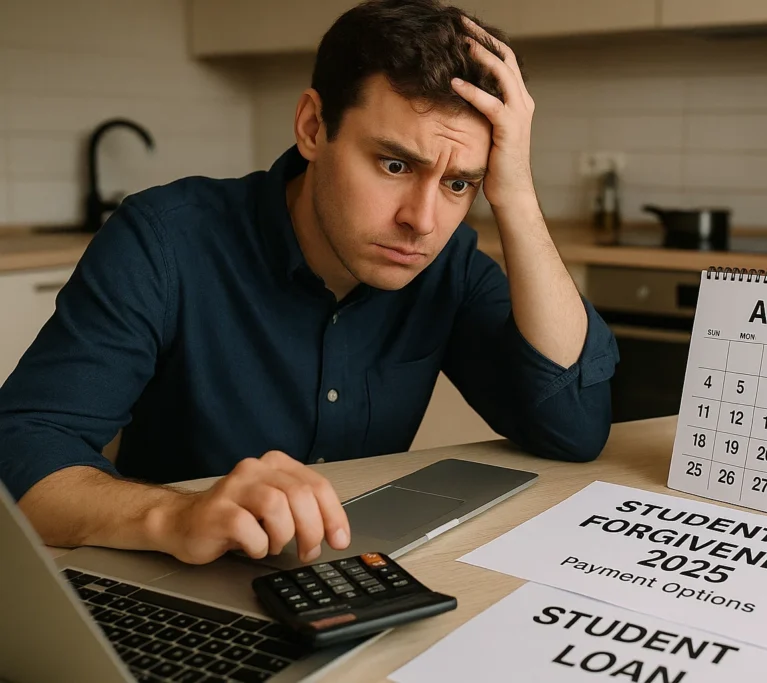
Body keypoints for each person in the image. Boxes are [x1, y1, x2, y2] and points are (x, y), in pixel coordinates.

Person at [0, 0, 618, 567]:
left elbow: (573, 427)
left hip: (344, 582)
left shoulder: (446, 261)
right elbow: (21, 449)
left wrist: (516, 196)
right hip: (171, 584)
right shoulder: (164, 242)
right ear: (314, 127)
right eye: (395, 164)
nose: (421, 221)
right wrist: (176, 514)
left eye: (460, 183)